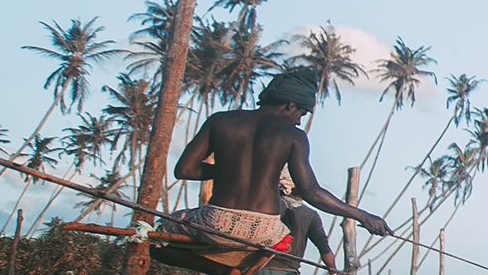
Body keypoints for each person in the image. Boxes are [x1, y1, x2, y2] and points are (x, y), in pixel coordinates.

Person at [153, 68, 390, 275]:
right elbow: (311, 191)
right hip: (266, 230)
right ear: (289, 105)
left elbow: (185, 170)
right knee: (278, 241)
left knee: (154, 238)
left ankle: (223, 271)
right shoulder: (294, 136)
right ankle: (232, 269)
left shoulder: (220, 121)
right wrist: (363, 216)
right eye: (301, 113)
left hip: (217, 221)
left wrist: (225, 169)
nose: (299, 121)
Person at [263, 173, 336, 275]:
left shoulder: (267, 206)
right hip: (289, 270)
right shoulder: (310, 215)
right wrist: (333, 272)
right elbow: (324, 248)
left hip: (256, 268)